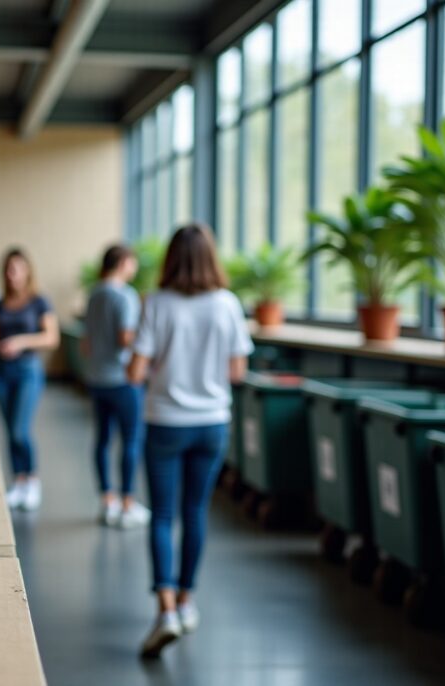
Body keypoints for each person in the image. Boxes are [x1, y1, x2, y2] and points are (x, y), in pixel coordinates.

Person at [126, 224, 253, 658]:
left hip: (165, 422)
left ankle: (165, 612)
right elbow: (236, 373)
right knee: (195, 511)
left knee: (162, 515)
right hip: (212, 423)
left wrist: (162, 363)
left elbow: (135, 372)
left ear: (171, 259)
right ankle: (187, 599)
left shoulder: (157, 304)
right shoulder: (228, 305)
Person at [83, 245, 148, 529]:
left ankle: (106, 500)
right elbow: (125, 337)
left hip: (98, 378)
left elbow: (87, 340)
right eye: (132, 262)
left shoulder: (94, 294)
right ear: (123, 263)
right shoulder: (125, 295)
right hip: (123, 379)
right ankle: (127, 504)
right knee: (131, 440)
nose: (134, 268)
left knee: (103, 439)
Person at [0, 248, 59, 511]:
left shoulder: (39, 301)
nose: (12, 273)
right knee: (9, 430)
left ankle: (32, 480)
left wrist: (20, 341)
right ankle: (18, 481)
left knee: (21, 429)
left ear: (28, 270)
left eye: (17, 268)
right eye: (8, 269)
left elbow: (51, 338)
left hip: (28, 370)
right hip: (2, 371)